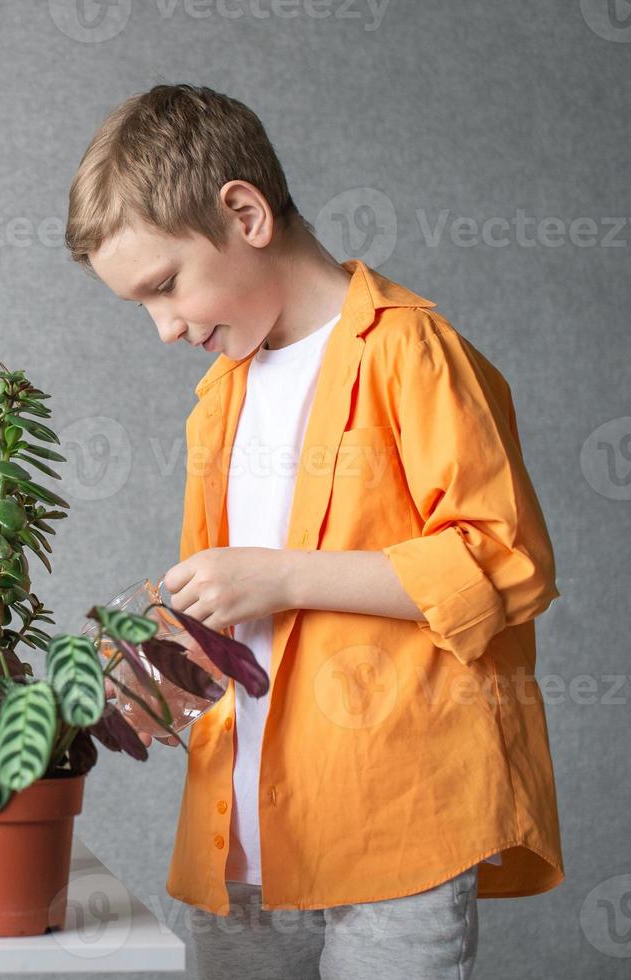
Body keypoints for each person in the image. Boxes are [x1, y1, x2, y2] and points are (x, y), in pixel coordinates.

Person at [67, 84, 563, 980]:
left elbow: (505, 562)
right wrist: (160, 661)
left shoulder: (408, 351)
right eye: (138, 306)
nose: (164, 328)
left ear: (245, 213)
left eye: (165, 286)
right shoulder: (221, 395)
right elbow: (235, 595)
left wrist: (282, 576)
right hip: (241, 835)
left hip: (395, 822)